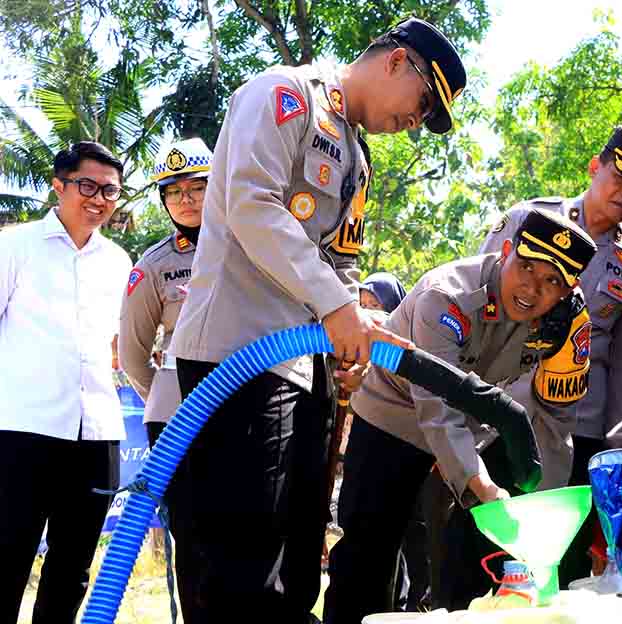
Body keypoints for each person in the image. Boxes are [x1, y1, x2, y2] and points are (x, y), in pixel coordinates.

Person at [167, 17, 465, 622]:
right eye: (422, 102)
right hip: (237, 353)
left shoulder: (357, 159)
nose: (414, 123)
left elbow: (342, 265)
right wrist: (335, 306)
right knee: (246, 559)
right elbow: (253, 204)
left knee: (302, 552)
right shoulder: (284, 95)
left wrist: (352, 336)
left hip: (304, 367)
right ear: (395, 62)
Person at [324, 209, 597, 624]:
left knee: (446, 560)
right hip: (391, 419)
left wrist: (539, 500)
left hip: (468, 433)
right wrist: (480, 483)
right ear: (506, 251)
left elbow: (554, 415)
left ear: (568, 290)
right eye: (525, 266)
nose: (532, 287)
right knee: (370, 548)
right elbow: (438, 406)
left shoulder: (560, 324)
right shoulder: (447, 296)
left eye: (552, 281)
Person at [478, 126, 622, 589]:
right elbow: (478, 305)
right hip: (503, 411)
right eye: (620, 177)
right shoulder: (530, 217)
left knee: (559, 560)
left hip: (580, 424)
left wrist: (618, 445)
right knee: (483, 548)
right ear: (594, 167)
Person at [0, 142, 132, 623]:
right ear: (59, 185)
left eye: (110, 191)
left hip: (96, 434)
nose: (98, 199)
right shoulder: (14, 246)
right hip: (22, 430)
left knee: (73, 568)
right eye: (87, 186)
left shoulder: (119, 262)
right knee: (8, 556)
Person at [119, 138, 212, 446]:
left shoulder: (249, 247)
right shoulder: (153, 265)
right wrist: (165, 394)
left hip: (247, 402)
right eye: (173, 191)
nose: (185, 200)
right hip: (177, 413)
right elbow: (132, 356)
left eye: (197, 187)